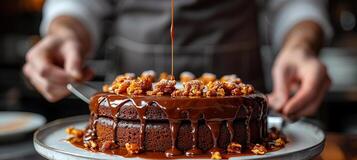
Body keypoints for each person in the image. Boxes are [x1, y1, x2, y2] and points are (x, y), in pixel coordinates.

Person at [23, 0, 332, 119]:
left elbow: (296, 6)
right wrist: (65, 33)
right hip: (130, 114)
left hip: (240, 114)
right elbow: (78, 5)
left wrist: (299, 46)